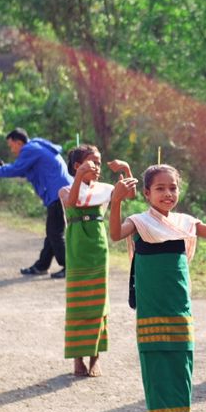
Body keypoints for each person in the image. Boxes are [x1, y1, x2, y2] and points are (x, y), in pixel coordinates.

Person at [109, 164, 206, 412]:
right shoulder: (139, 222)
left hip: (180, 312)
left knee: (181, 373)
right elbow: (116, 234)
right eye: (160, 188)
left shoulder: (187, 222)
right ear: (146, 193)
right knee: (157, 375)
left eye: (173, 187)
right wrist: (116, 201)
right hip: (152, 313)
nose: (168, 193)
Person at [59, 144, 133, 377]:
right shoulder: (65, 189)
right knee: (78, 302)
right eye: (92, 162)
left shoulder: (105, 189)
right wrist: (80, 177)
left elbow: (129, 195)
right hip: (77, 245)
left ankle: (95, 358)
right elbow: (72, 203)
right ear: (77, 166)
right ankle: (77, 359)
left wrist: (127, 169)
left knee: (99, 301)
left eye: (100, 163)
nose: (98, 167)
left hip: (98, 245)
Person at [0, 128, 72, 278]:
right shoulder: (35, 147)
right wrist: (0, 166)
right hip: (61, 191)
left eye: (12, 146)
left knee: (55, 233)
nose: (12, 149)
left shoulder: (29, 149)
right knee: (52, 232)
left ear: (19, 142)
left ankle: (70, 267)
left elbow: (16, 169)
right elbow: (23, 170)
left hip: (58, 193)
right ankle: (41, 266)